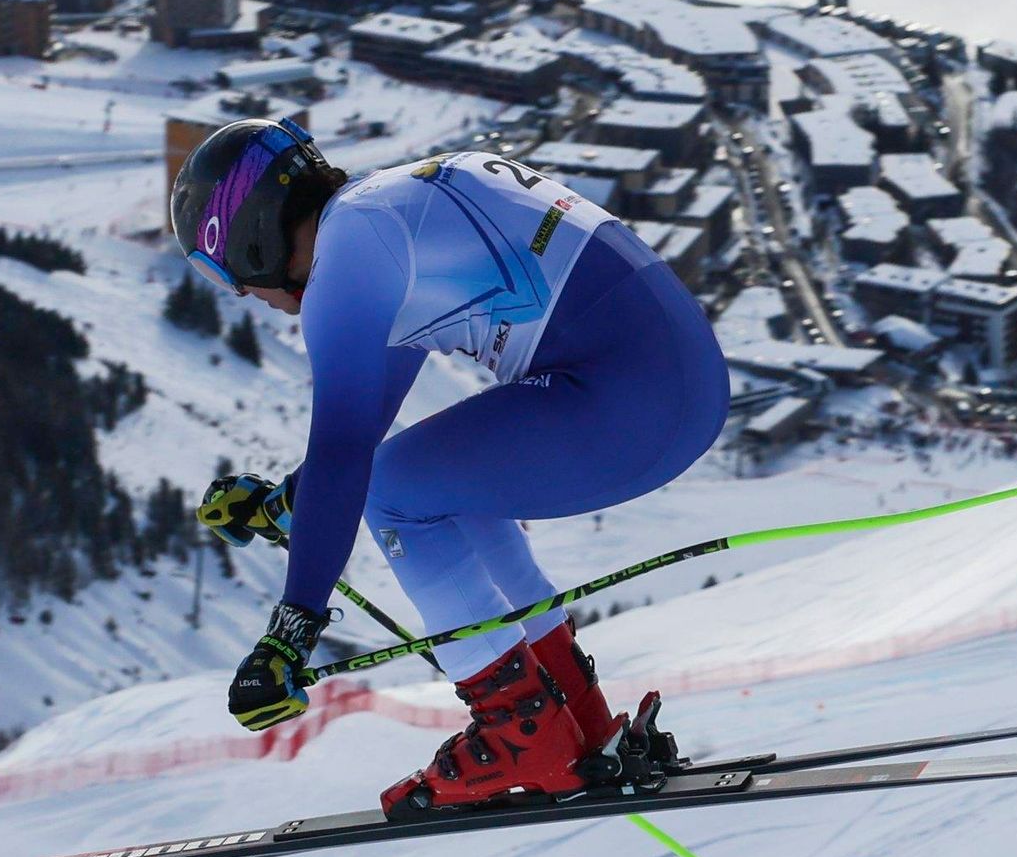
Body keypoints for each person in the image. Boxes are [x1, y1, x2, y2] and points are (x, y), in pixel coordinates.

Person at [173, 117, 730, 818]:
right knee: (438, 481)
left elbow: (349, 455)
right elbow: (359, 431)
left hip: (628, 399)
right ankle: (575, 716)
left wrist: (289, 633)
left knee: (397, 493)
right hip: (675, 385)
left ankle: (518, 730)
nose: (242, 294)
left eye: (226, 274)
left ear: (250, 237)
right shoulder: (385, 215)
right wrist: (288, 505)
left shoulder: (347, 261)